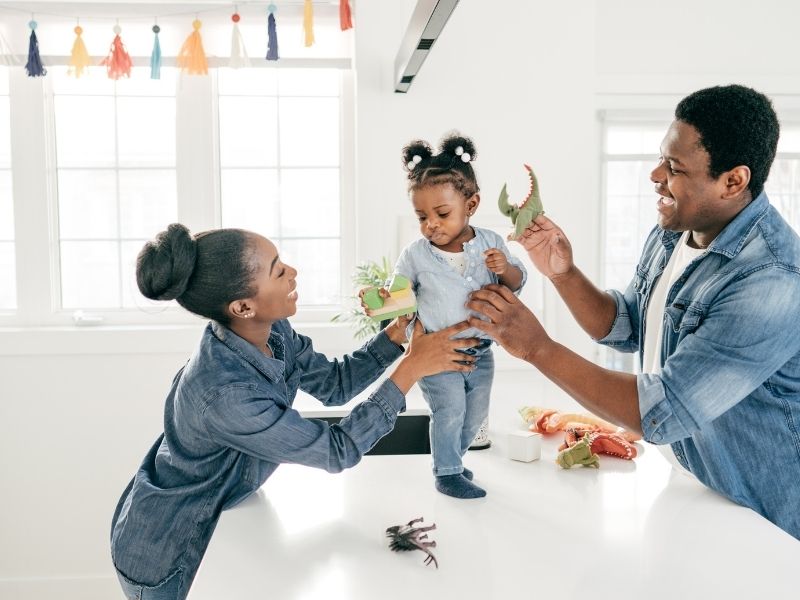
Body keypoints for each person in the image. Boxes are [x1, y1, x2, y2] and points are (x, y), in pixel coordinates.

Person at [466, 84, 800, 539]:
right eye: (663, 157)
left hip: (765, 520)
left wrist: (536, 347)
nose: (656, 174)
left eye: (676, 168)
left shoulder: (772, 280)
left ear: (733, 181)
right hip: (696, 489)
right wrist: (564, 274)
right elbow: (628, 325)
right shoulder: (679, 228)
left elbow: (663, 411)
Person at [110, 224, 480, 599]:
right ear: (242, 306)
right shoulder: (225, 395)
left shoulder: (270, 330)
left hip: (221, 515)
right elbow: (338, 451)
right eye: (277, 270)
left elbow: (335, 384)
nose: (293, 272)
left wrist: (394, 335)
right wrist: (412, 367)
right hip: (165, 554)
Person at [387, 133, 526, 499]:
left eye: (442, 213)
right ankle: (446, 471)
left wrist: (506, 269)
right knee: (448, 411)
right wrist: (382, 301)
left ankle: (454, 462)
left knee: (475, 414)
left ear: (472, 204)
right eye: (422, 216)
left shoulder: (491, 243)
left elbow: (517, 282)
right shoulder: (416, 255)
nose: (431, 223)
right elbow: (397, 296)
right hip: (438, 351)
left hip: (481, 351)